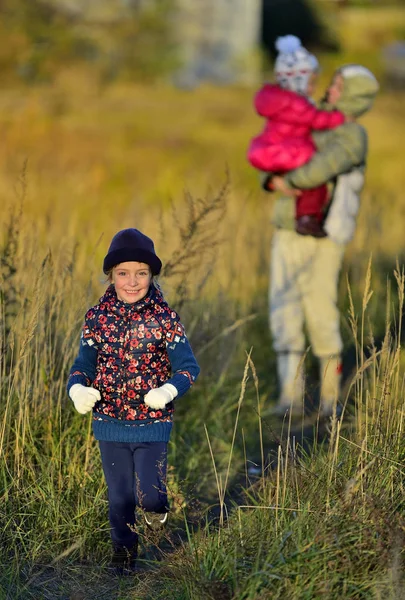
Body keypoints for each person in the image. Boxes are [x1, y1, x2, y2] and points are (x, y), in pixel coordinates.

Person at [66, 228, 200, 574]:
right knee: (120, 498)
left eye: (141, 273)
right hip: (109, 423)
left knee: (149, 496)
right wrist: (77, 389)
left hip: (153, 424)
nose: (132, 282)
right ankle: (123, 556)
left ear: (151, 275)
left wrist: (167, 391)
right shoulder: (96, 318)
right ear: (111, 276)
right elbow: (83, 365)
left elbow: (188, 367)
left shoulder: (164, 318)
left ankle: (157, 510)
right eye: (123, 273)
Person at [263, 64, 379, 417]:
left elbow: (323, 166)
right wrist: (270, 176)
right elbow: (273, 147)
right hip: (288, 227)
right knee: (283, 307)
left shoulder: (353, 134)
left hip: (325, 235)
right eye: (334, 81)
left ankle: (330, 399)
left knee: (320, 308)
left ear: (354, 94)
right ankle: (290, 398)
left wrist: (290, 178)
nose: (331, 87)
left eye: (341, 84)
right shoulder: (310, 118)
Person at [247, 35, 347, 237]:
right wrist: (274, 180)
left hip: (277, 153)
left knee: (311, 183)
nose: (321, 88)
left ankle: (306, 218)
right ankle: (307, 218)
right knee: (313, 185)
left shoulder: (281, 103)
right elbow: (317, 121)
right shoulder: (301, 106)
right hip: (290, 160)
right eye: (311, 82)